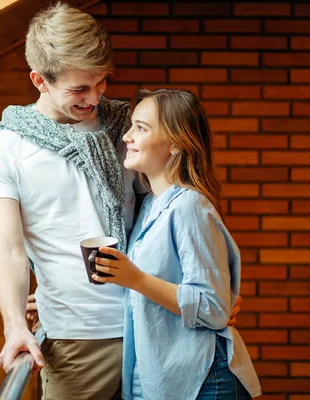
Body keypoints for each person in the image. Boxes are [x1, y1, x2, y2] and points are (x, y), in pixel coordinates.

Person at [0, 2, 241, 399]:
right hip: (79, 337)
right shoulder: (5, 149)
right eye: (79, 88)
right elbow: (9, 250)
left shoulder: (128, 129)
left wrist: (214, 295)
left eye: (101, 83)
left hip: (158, 325)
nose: (95, 98)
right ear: (39, 80)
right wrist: (14, 323)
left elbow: (177, 210)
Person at [91, 89, 261, 399]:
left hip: (204, 383)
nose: (127, 136)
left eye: (141, 128)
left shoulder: (189, 206)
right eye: (131, 126)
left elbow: (214, 308)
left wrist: (136, 279)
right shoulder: (149, 207)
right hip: (160, 381)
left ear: (175, 143)